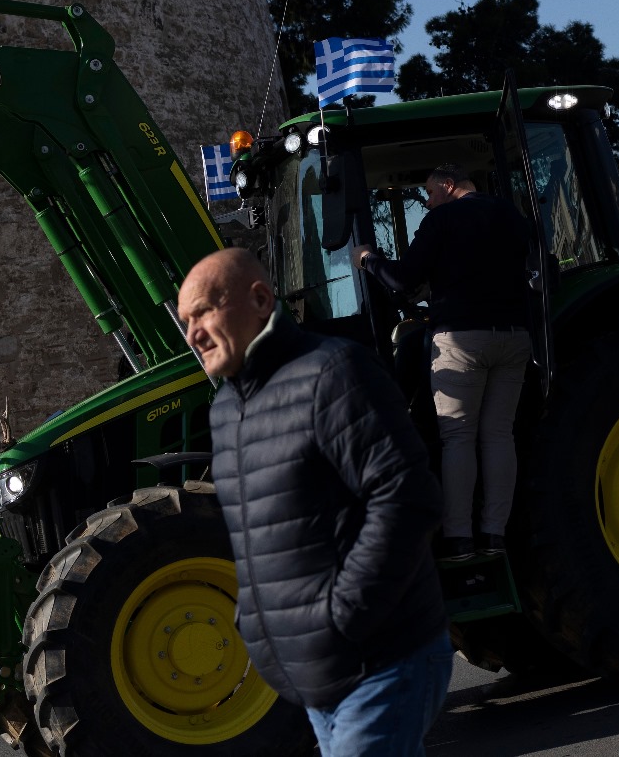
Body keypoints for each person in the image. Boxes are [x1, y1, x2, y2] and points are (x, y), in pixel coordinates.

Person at [178, 248, 452, 757]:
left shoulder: (334, 372)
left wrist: (341, 616)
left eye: (202, 312)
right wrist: (257, 622)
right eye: (184, 322)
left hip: (380, 659)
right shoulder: (224, 411)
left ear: (260, 300)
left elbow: (408, 497)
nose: (192, 333)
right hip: (314, 676)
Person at [353, 164, 533, 561]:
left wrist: (368, 259)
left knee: (458, 437)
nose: (428, 202)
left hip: (462, 338)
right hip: (515, 335)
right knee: (500, 435)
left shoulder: (444, 218)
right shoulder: (510, 214)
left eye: (431, 193)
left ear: (449, 185)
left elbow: (402, 280)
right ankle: (494, 535)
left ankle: (458, 538)